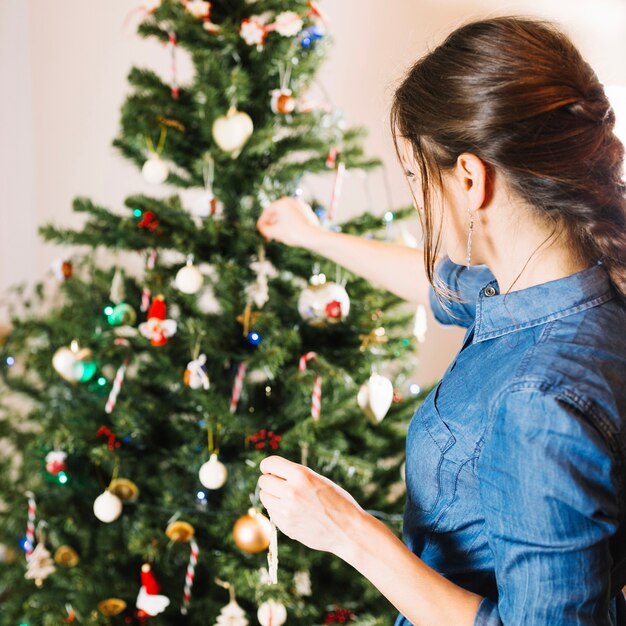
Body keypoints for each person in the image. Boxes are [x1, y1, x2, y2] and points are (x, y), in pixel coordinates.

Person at [256, 16, 626, 626]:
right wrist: (313, 237)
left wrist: (349, 532)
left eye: (418, 177)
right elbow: (439, 285)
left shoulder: (538, 399)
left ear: (471, 178)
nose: (419, 198)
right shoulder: (572, 285)